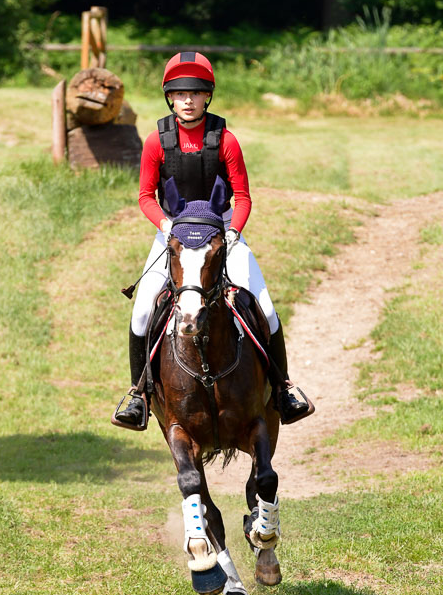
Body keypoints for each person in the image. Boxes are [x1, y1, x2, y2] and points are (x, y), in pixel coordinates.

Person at [113, 52, 313, 430]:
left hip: (221, 235)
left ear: (208, 96)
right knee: (142, 311)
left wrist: (233, 233)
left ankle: (283, 389)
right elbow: (145, 196)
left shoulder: (227, 140)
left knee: (266, 309)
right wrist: (167, 228)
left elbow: (244, 197)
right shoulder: (156, 141)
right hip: (172, 236)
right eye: (180, 93)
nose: (188, 99)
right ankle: (139, 396)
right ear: (169, 98)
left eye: (196, 92)